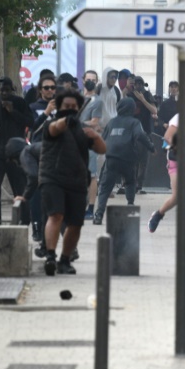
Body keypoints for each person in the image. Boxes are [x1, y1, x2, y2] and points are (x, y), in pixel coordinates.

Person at [40, 89, 106, 275]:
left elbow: (102, 149)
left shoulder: (82, 130)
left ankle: (65, 260)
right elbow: (55, 129)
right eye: (66, 107)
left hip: (77, 181)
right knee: (56, 215)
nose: (69, 109)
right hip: (52, 178)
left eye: (73, 107)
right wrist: (65, 121)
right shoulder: (51, 124)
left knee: (75, 223)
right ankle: (51, 256)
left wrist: (95, 136)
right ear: (59, 107)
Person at [93, 98, 154, 225]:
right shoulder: (134, 122)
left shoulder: (111, 122)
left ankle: (98, 215)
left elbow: (103, 139)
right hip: (128, 159)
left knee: (105, 187)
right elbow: (140, 135)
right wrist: (151, 147)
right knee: (130, 182)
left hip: (112, 159)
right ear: (132, 109)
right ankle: (130, 205)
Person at [148, 104, 185, 237]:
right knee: (177, 196)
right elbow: (168, 136)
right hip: (176, 159)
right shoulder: (178, 118)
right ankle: (158, 214)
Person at [0, 77, 33, 224]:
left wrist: (13, 112)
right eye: (2, 90)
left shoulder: (19, 102)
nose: (4, 93)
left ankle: (24, 218)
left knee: (19, 187)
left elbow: (30, 121)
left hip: (16, 152)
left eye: (7, 90)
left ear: (12, 90)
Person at [127, 76, 157, 192]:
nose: (138, 86)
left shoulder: (147, 94)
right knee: (131, 159)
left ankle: (139, 184)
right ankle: (131, 183)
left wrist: (143, 99)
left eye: (140, 84)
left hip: (145, 130)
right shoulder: (129, 95)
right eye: (136, 84)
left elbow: (154, 110)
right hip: (131, 131)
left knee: (143, 160)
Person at [79, 70, 102, 219]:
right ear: (83, 80)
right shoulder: (76, 98)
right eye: (89, 79)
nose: (91, 82)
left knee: (92, 175)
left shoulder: (97, 101)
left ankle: (91, 208)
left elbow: (95, 122)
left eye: (94, 80)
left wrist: (77, 123)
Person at [29, 75, 57, 140]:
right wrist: (46, 112)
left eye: (53, 87)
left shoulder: (60, 106)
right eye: (46, 88)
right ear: (40, 90)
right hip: (40, 144)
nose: (50, 90)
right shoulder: (33, 107)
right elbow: (33, 126)